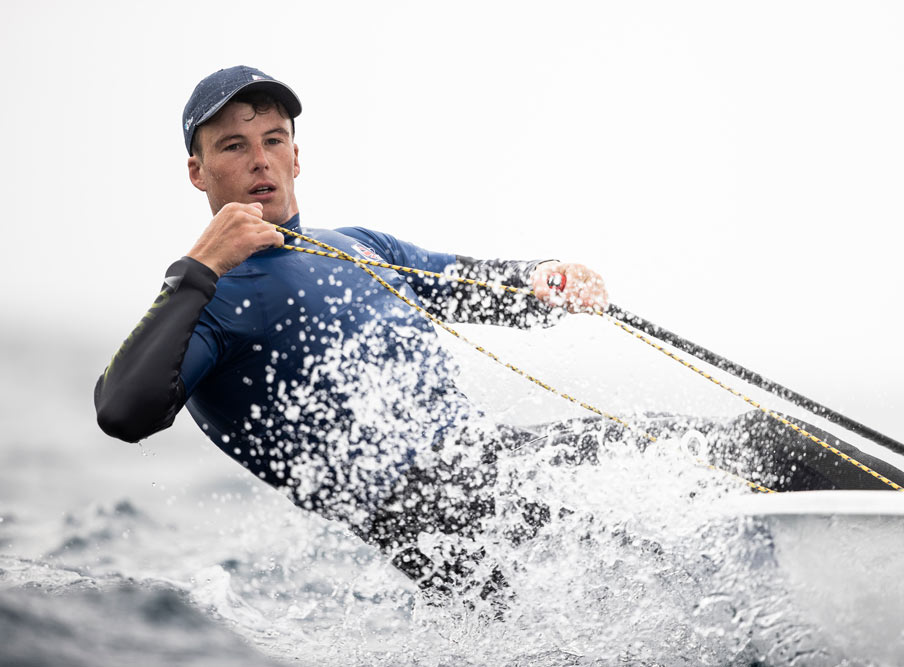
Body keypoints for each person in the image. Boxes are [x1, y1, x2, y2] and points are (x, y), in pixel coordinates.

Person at [94, 66, 609, 604]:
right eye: (233, 146)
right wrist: (199, 266)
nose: (260, 160)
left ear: (296, 156)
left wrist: (544, 276)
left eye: (274, 140)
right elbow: (122, 411)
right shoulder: (209, 302)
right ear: (198, 172)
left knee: (689, 458)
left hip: (498, 457)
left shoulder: (359, 244)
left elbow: (466, 283)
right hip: (426, 517)